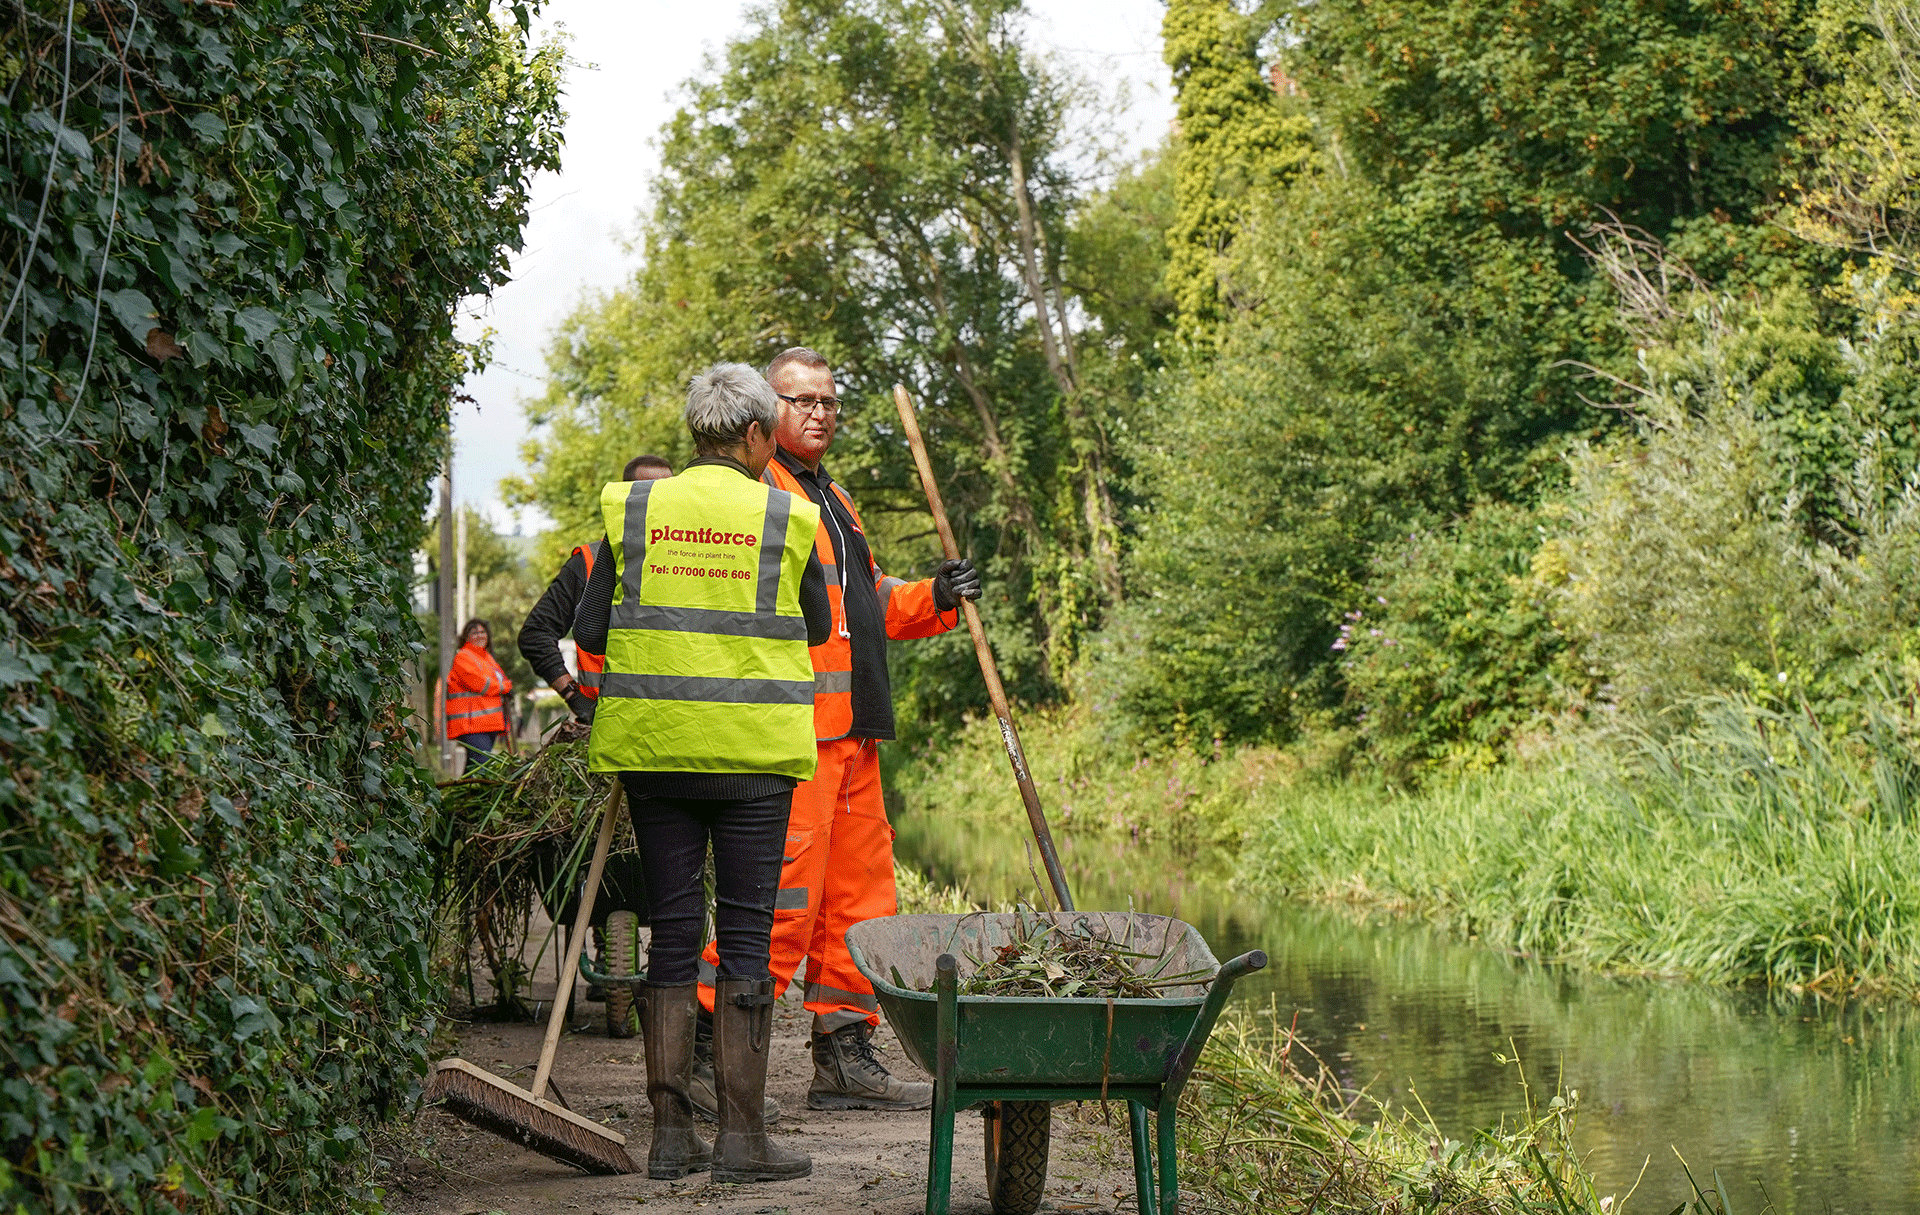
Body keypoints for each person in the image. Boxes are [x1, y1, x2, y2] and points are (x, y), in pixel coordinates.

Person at [693, 347, 982, 1115]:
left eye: (828, 401)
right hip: (795, 736)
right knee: (782, 901)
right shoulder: (762, 494)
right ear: (766, 411)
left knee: (861, 908)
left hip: (855, 734)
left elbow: (872, 601)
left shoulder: (839, 500)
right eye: (801, 400)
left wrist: (937, 596)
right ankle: (701, 1044)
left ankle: (844, 1052)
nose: (818, 412)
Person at [575, 363, 831, 1184]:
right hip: (755, 759)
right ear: (758, 436)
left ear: (694, 433)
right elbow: (821, 625)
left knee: (675, 933)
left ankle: (670, 1137)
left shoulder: (638, 508)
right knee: (747, 937)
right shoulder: (787, 515)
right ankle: (744, 1141)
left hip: (657, 752)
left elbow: (589, 626)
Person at [518, 454, 675, 727]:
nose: (659, 502)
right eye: (649, 492)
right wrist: (574, 696)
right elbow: (536, 634)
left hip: (676, 723)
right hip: (605, 725)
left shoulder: (688, 559)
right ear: (628, 497)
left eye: (668, 493)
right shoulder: (590, 562)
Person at [444, 618, 512, 771]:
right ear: (466, 637)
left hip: (487, 723)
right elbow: (482, 684)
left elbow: (499, 681)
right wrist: (506, 686)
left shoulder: (487, 658)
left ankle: (460, 794)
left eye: (482, 632)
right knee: (481, 764)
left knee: (475, 765)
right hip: (471, 725)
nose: (480, 635)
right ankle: (473, 792)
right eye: (474, 633)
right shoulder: (463, 657)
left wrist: (505, 686)